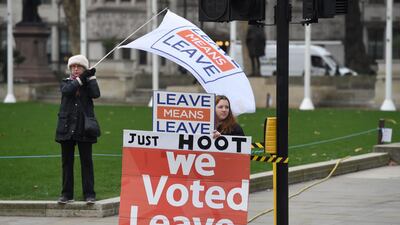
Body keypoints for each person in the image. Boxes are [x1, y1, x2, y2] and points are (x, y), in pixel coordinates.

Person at [55, 54, 100, 205]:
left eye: (79, 67)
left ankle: (89, 194)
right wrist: (81, 80)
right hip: (66, 127)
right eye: (73, 67)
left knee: (86, 162)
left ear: (84, 69)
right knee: (67, 162)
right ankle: (67, 194)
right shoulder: (65, 82)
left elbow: (96, 94)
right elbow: (67, 91)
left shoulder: (88, 84)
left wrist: (91, 78)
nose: (75, 69)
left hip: (84, 127)